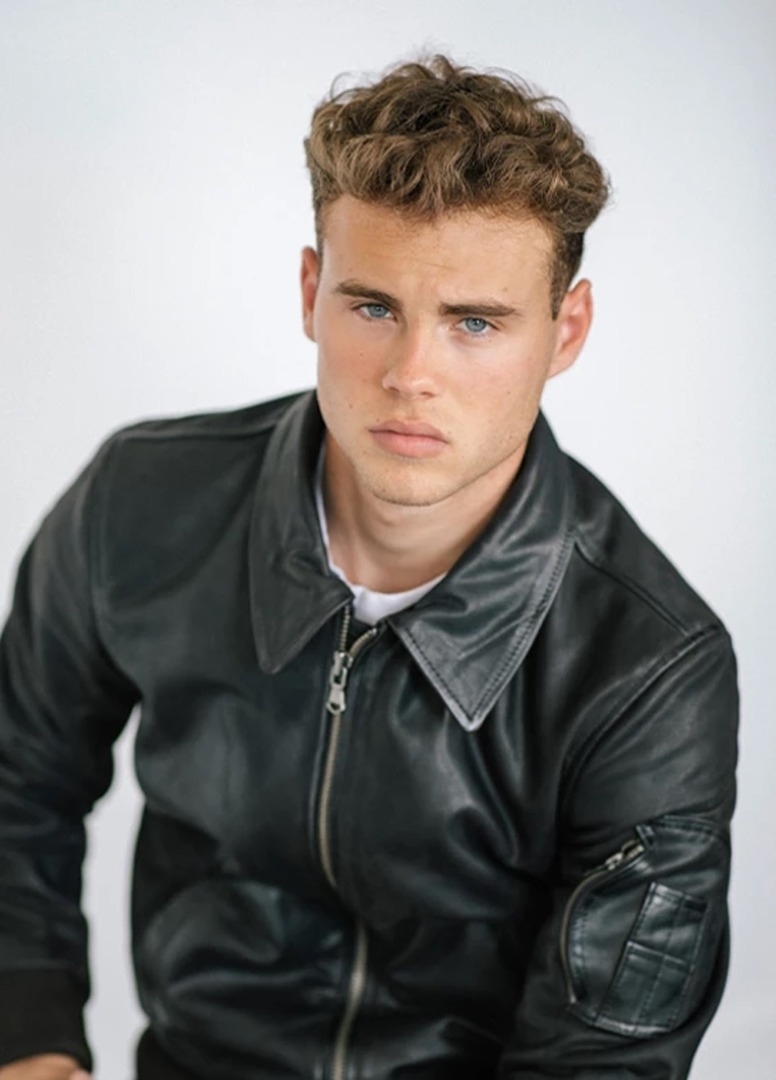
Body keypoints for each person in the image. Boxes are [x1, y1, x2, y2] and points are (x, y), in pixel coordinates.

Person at [0, 55, 738, 1080]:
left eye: (474, 322)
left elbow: (602, 1057)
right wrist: (28, 1040)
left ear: (564, 330)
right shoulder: (139, 503)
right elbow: (17, 776)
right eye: (373, 307)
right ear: (311, 293)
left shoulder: (650, 665)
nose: (410, 375)